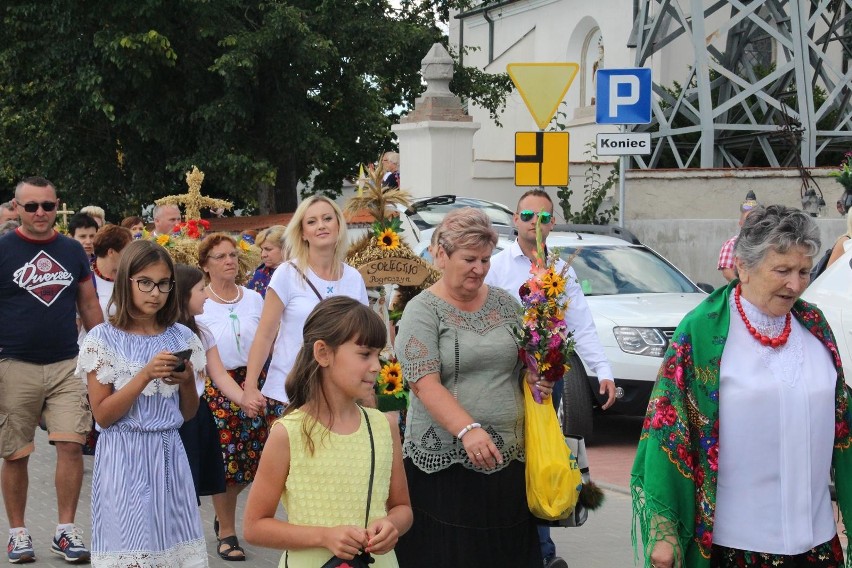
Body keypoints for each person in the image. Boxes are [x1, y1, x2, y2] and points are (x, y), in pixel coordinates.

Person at [632, 205, 852, 568]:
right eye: (782, 271)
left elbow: (842, 422)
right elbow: (667, 430)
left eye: (803, 271)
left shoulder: (814, 324)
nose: (795, 284)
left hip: (817, 546)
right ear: (743, 268)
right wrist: (664, 533)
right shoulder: (702, 332)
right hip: (735, 548)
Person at [394, 207, 548, 567]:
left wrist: (539, 375)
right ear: (443, 256)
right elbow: (424, 384)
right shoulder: (422, 311)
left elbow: (524, 366)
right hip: (447, 469)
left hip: (507, 459)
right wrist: (467, 429)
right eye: (469, 259)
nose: (479, 268)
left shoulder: (507, 304)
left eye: (485, 259)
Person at [485, 188, 616, 567]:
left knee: (539, 456)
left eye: (544, 218)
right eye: (528, 216)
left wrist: (602, 372)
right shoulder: (495, 267)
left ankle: (541, 552)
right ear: (514, 220)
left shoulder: (562, 270)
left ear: (553, 223)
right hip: (504, 376)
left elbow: (581, 325)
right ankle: (516, 546)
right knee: (510, 457)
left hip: (545, 379)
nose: (535, 224)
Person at [243, 296, 413, 567]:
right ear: (323, 353)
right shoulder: (289, 433)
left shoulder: (384, 426)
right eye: (364, 354)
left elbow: (402, 507)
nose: (376, 367)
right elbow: (254, 526)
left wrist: (392, 525)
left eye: (378, 355)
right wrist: (324, 536)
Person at [75, 240, 208, 567]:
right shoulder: (102, 340)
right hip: (124, 457)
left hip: (169, 455)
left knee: (173, 550)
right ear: (126, 282)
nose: (155, 293)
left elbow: (188, 414)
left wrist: (187, 379)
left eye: (164, 283)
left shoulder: (180, 336)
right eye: (145, 282)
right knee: (132, 553)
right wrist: (145, 375)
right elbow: (104, 416)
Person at [1, 176, 103, 564]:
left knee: (71, 445)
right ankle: (18, 533)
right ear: (17, 207)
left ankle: (64, 531)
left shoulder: (72, 250)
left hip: (66, 363)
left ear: (57, 204)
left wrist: (107, 349)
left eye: (47, 205)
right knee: (16, 453)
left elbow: (89, 304)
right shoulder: (4, 249)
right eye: (31, 206)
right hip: (14, 364)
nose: (40, 213)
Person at [244, 196, 368, 421]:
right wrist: (250, 386)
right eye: (312, 221)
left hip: (340, 394)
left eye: (327, 218)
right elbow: (264, 334)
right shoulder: (287, 273)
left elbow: (362, 340)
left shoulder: (353, 278)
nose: (321, 225)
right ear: (302, 233)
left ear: (338, 226)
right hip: (290, 393)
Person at [196, 234, 268, 560]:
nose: (229, 261)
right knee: (225, 459)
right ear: (205, 265)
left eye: (232, 255)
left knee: (255, 459)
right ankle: (227, 531)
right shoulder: (200, 302)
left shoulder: (254, 298)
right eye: (220, 256)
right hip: (217, 385)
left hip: (255, 381)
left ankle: (223, 508)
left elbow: (270, 341)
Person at [90, 225, 133, 318]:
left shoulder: (132, 276)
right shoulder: (85, 276)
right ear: (111, 252)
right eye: (127, 251)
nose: (131, 256)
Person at [717, 192, 759, 282]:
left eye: (755, 220)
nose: (752, 224)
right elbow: (727, 272)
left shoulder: (764, 242)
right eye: (747, 220)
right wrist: (746, 287)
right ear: (740, 223)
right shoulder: (731, 244)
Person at [247, 225, 287, 297]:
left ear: (286, 248)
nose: (263, 255)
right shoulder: (259, 274)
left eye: (268, 249)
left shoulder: (303, 272)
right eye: (262, 250)